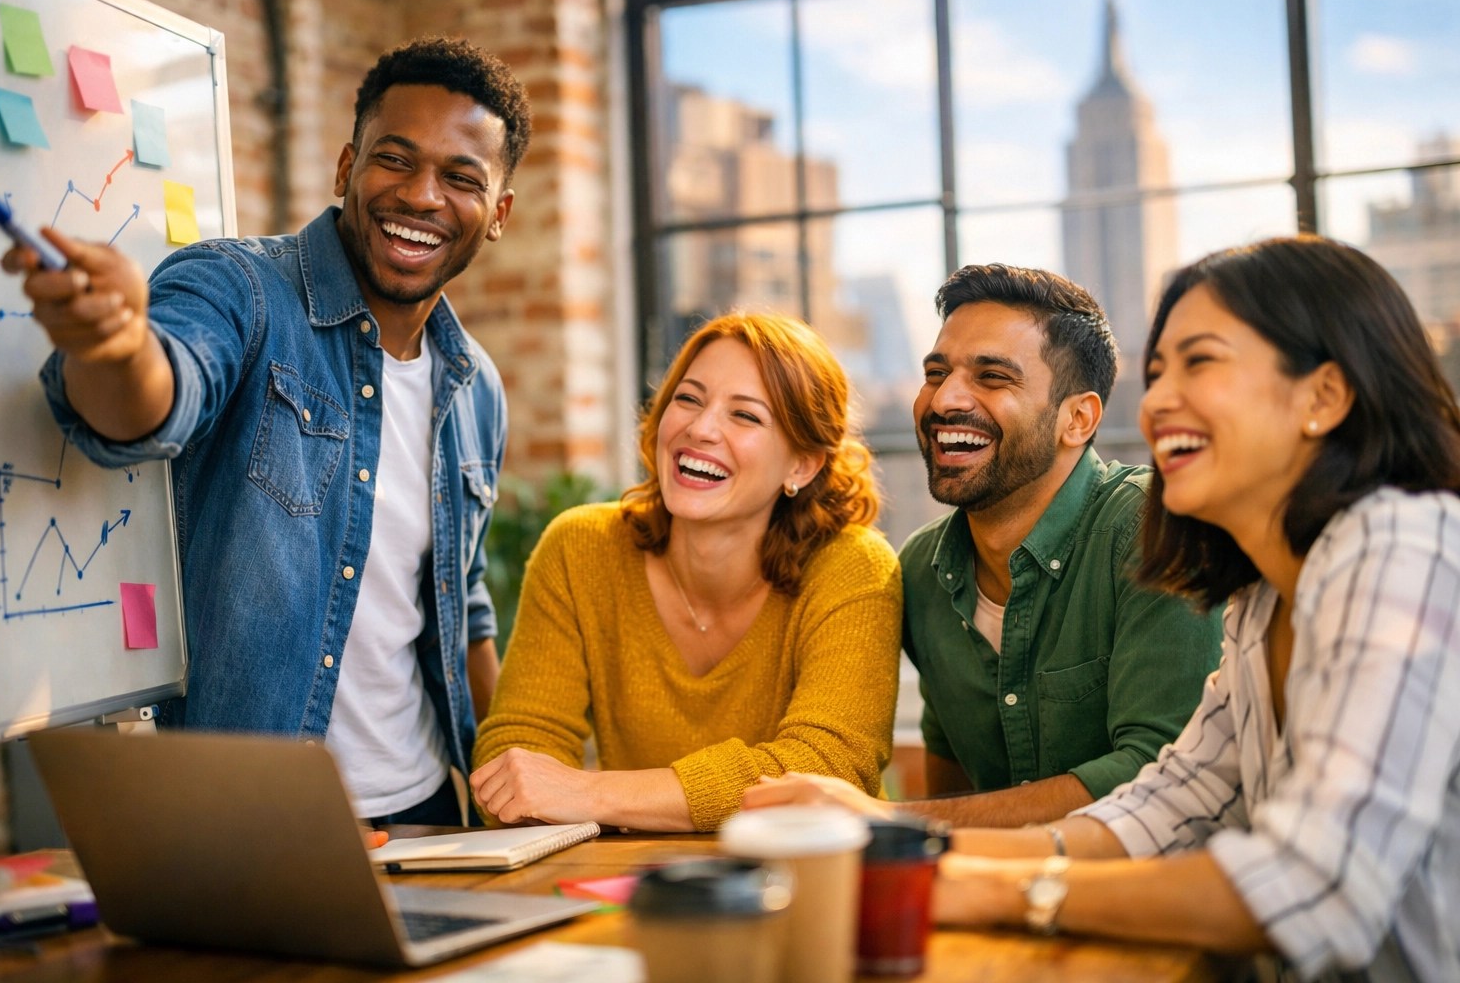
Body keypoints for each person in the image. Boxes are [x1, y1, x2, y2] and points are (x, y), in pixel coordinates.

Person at [5, 37, 532, 827]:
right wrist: (113, 346)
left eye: (461, 178)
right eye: (395, 159)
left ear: (497, 214)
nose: (423, 196)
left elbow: (463, 601)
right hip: (251, 819)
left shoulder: (475, 385)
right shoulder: (238, 288)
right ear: (346, 168)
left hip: (430, 813)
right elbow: (154, 399)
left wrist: (517, 787)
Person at [930, 236, 1460, 981]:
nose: (1157, 404)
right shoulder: (1260, 595)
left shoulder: (1403, 549)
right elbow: (1169, 806)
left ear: (1324, 396)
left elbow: (1319, 884)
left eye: (1199, 362)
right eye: (1157, 372)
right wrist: (903, 847)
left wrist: (1007, 893)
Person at [744, 264, 1221, 826]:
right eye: (936, 372)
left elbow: (1156, 780)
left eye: (993, 377)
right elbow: (955, 788)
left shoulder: (1153, 530)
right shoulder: (920, 570)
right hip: (988, 897)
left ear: (1078, 419)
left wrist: (893, 821)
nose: (945, 400)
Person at [470, 311, 902, 832]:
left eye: (745, 416)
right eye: (688, 399)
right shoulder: (580, 549)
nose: (699, 429)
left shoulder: (853, 567)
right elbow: (517, 750)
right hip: (636, 882)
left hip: (810, 884)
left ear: (802, 465)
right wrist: (531, 793)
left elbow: (826, 769)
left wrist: (591, 792)